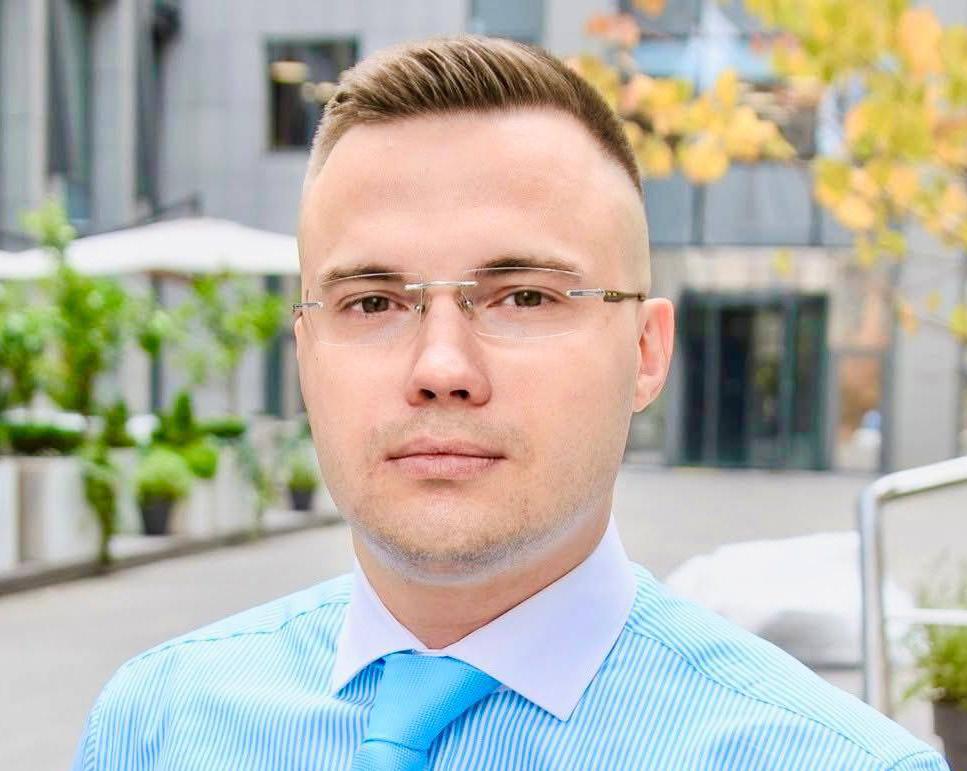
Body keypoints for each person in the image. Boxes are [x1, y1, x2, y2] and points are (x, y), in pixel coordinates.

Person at [70, 35, 950, 770]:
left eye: (523, 296)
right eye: (371, 302)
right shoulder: (156, 727)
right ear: (305, 352)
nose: (440, 366)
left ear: (645, 353)